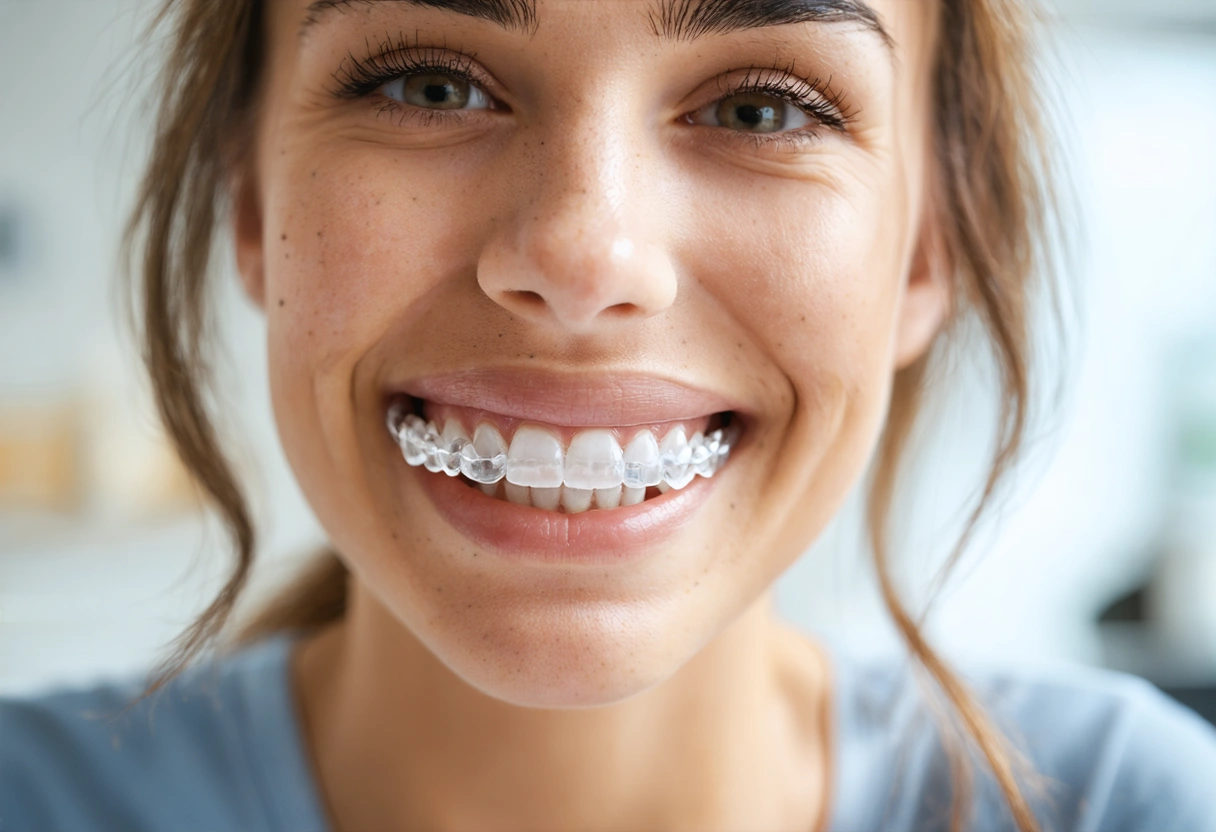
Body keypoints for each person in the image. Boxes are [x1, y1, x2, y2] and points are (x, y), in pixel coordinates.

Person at [3, 0, 1215, 830]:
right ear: (253, 205)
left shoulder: (1130, 805)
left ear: (922, 251)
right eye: (428, 84)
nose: (584, 252)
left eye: (762, 108)